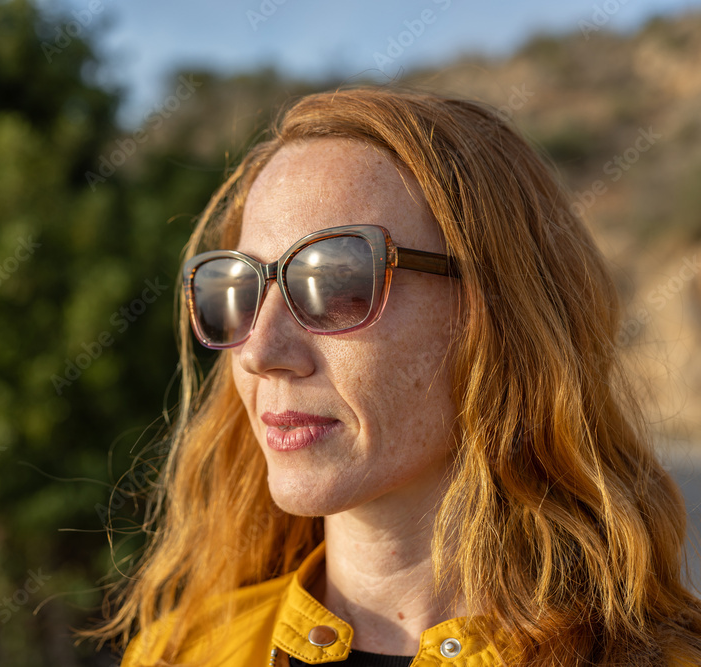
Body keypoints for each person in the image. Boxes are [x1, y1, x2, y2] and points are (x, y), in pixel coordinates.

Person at [89, 87, 701, 666]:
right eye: (237, 289)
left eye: (334, 281)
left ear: (498, 313)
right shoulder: (179, 653)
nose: (259, 350)